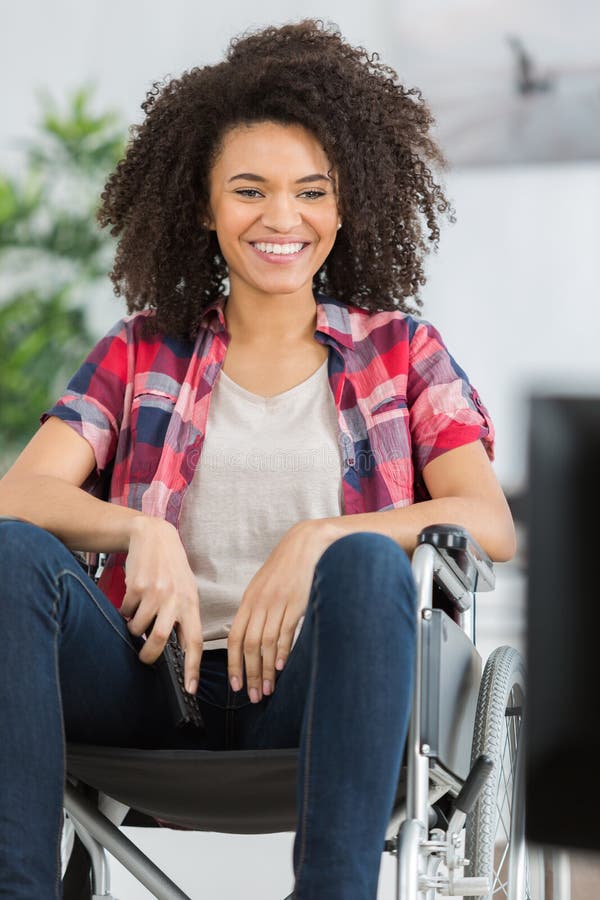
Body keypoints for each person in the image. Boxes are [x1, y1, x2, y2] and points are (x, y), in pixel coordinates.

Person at [0, 18, 515, 900]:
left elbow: (487, 522)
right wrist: (137, 529)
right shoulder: (140, 352)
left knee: (362, 560)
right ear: (204, 205)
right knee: (10, 555)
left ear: (345, 205)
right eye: (249, 190)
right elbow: (20, 495)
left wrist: (321, 537)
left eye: (311, 191)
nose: (282, 218)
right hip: (150, 686)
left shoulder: (402, 353)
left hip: (316, 692)